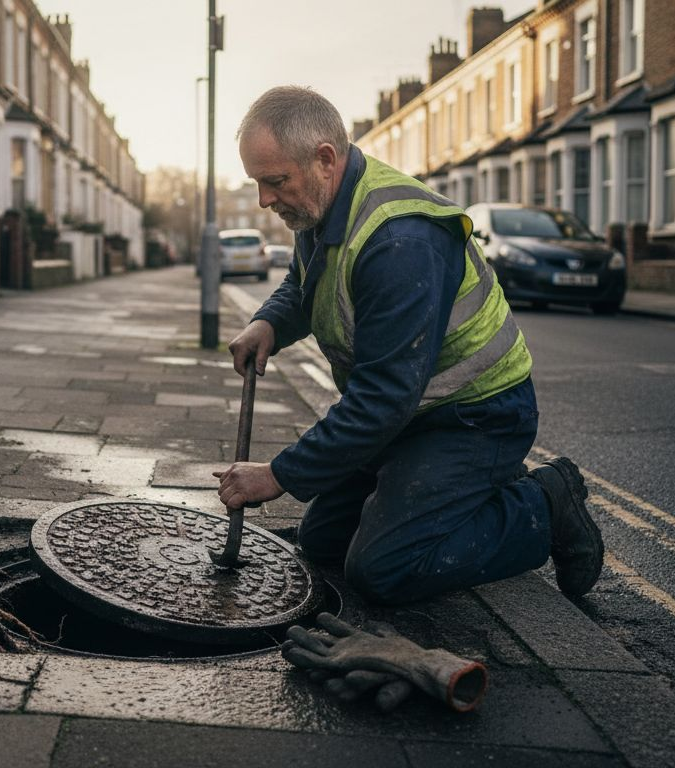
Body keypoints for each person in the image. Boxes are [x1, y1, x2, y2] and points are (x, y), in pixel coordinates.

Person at [213, 85, 604, 604]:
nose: (264, 199)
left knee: (383, 568)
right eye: (258, 183)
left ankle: (543, 503)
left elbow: (382, 399)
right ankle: (445, 494)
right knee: (322, 541)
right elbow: (306, 284)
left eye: (274, 181)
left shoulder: (401, 242)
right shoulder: (322, 208)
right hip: (410, 416)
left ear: (325, 159)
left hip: (474, 418)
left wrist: (279, 475)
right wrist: (269, 324)